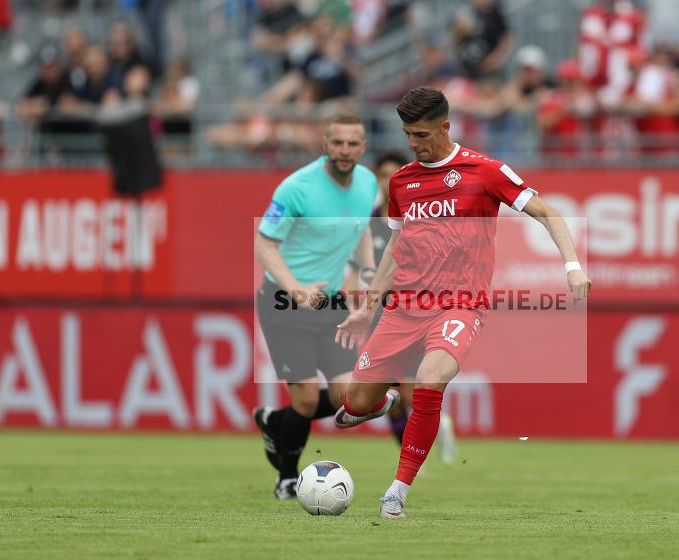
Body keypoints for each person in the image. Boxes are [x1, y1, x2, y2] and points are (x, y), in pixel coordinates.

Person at [334, 88, 591, 518]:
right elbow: (397, 247)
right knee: (355, 402)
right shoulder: (401, 181)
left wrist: (572, 266)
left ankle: (397, 491)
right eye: (407, 134)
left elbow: (547, 212)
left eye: (420, 134)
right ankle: (382, 402)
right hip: (404, 307)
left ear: (445, 127)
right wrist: (367, 306)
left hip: (460, 304)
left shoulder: (484, 171)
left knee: (432, 377)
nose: (413, 144)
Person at [252, 113, 383, 500]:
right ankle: (287, 478)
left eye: (352, 144)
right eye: (337, 143)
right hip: (283, 300)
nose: (344, 151)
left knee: (348, 398)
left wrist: (368, 268)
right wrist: (293, 289)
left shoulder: (368, 183)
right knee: (307, 398)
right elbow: (263, 244)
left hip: (329, 302)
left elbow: (358, 229)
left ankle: (275, 421)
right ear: (324, 145)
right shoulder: (297, 187)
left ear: (363, 147)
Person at [361, 151, 458, 462]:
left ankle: (426, 437)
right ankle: (413, 451)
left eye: (393, 174)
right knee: (386, 393)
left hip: (410, 311)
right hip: (379, 312)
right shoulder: (370, 219)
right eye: (382, 175)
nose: (388, 181)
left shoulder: (420, 214)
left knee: (404, 390)